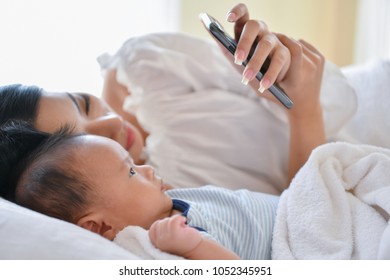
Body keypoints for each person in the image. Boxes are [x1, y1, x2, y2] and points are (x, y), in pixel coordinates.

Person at [0, 3, 354, 198]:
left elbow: (341, 98)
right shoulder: (161, 204)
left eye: (84, 104)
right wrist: (303, 112)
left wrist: (279, 66)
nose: (110, 123)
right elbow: (305, 219)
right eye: (83, 141)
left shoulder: (144, 67)